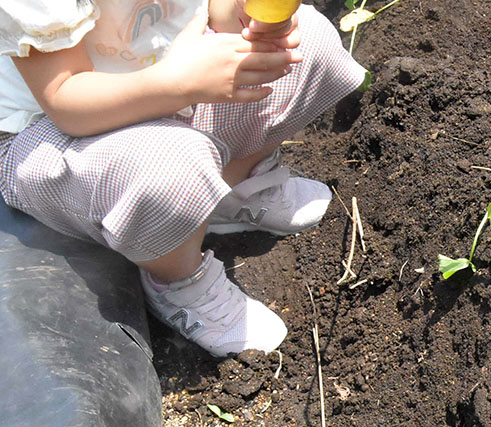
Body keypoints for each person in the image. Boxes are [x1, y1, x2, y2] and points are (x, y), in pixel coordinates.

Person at [0, 0, 367, 356]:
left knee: (312, 38)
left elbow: (210, 10)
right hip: (59, 128)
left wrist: (245, 16)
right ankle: (177, 280)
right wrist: (180, 83)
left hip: (174, 79)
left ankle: (228, 191)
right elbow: (66, 101)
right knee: (168, 168)